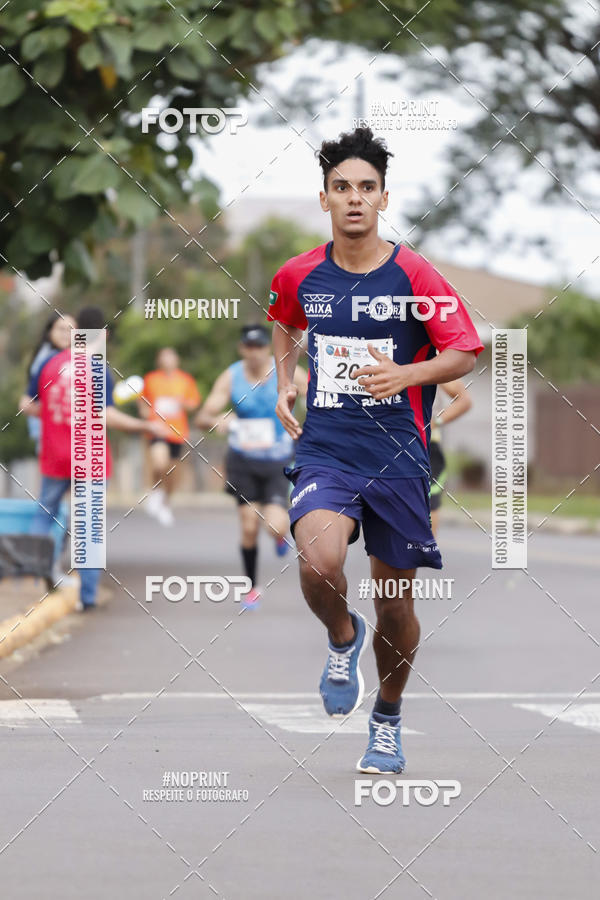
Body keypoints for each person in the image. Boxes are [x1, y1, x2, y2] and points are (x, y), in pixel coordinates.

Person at [268, 127, 483, 773]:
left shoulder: (414, 273)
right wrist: (284, 381)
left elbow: (465, 351)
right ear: (325, 199)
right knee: (318, 563)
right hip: (327, 449)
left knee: (394, 604)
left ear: (384, 198)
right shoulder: (299, 273)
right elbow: (283, 319)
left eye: (367, 187)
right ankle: (342, 636)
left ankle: (386, 717)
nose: (355, 198)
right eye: (342, 187)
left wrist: (407, 374)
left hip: (397, 458)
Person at [20, 306, 166, 610]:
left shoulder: (50, 364)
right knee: (88, 527)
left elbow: (29, 405)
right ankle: (87, 597)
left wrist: (55, 416)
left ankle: (32, 583)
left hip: (55, 455)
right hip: (89, 458)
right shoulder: (97, 369)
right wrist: (144, 426)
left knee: (45, 513)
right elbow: (107, 415)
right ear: (103, 335)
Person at [196, 324, 307, 608]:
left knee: (275, 526)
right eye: (249, 347)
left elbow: (318, 394)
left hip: (278, 460)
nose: (255, 352)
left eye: (260, 347)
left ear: (268, 348)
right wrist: (217, 420)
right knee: (248, 526)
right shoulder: (231, 377)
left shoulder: (285, 370)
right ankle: (252, 588)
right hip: (242, 461)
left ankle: (280, 538)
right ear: (242, 349)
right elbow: (202, 417)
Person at [138, 348, 201, 526]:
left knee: (172, 471)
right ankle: (155, 492)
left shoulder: (185, 380)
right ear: (159, 360)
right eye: (164, 357)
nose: (168, 360)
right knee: (159, 462)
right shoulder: (151, 379)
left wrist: (182, 403)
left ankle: (166, 503)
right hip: (157, 429)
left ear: (177, 360)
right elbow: (142, 400)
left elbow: (193, 403)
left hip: (177, 432)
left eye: (171, 357)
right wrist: (144, 412)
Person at [24, 312, 77, 454]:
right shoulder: (46, 358)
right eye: (61, 329)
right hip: (48, 433)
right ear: (50, 332)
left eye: (71, 330)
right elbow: (28, 402)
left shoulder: (67, 356)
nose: (66, 334)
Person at [429, 379, 473, 537]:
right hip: (390, 446)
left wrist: (436, 421)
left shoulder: (432, 364)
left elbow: (464, 400)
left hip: (427, 447)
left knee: (429, 504)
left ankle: (427, 549)